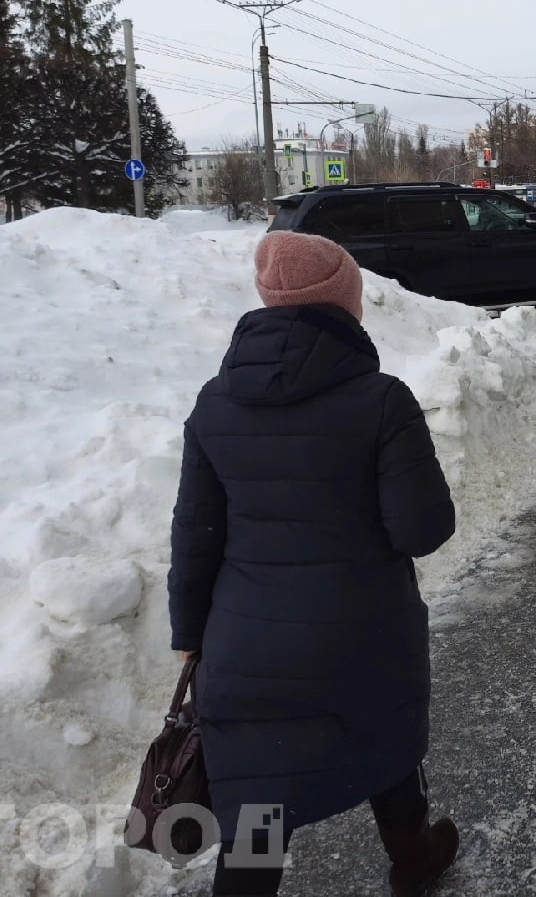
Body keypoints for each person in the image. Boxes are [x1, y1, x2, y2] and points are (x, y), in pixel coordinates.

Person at [168, 231, 460, 897]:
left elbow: (195, 533)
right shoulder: (381, 399)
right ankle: (412, 855)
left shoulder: (215, 403)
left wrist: (190, 634)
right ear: (347, 305)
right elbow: (422, 528)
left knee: (262, 794)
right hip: (363, 630)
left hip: (248, 639)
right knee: (381, 732)